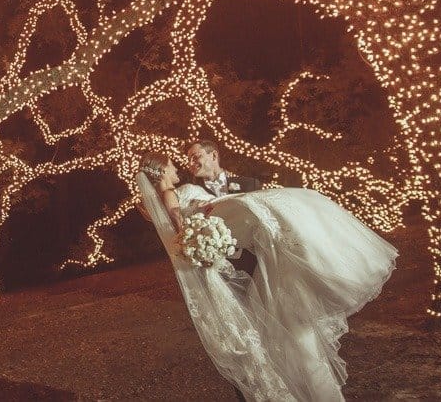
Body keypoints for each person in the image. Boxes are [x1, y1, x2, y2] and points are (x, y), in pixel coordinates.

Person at [136, 149, 398, 401]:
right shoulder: (171, 192)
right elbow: (178, 218)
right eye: (171, 163)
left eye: (195, 156)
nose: (179, 165)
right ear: (161, 170)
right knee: (269, 211)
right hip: (234, 251)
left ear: (213, 155)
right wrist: (195, 220)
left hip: (254, 254)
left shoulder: (235, 183)